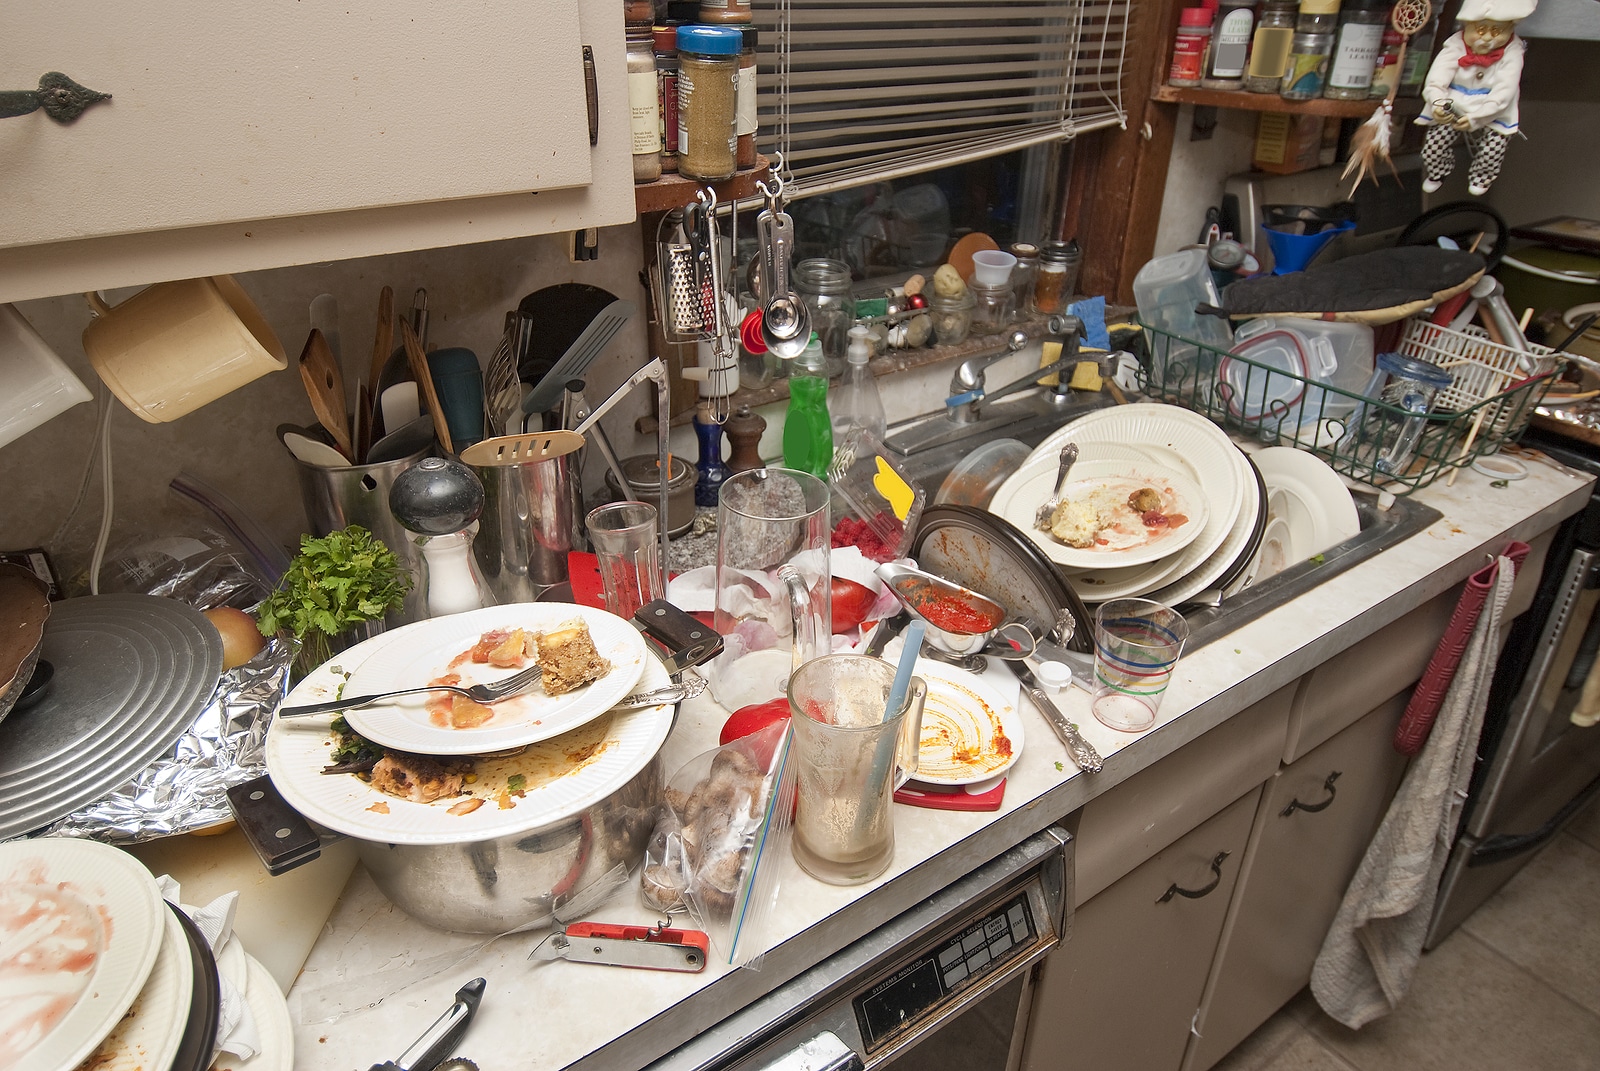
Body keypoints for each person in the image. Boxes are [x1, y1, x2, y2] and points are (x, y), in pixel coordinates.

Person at [1414, 0, 1535, 196]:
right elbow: (1436, 79)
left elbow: (1505, 91)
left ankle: (1482, 177)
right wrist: (1438, 103)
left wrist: (1477, 117)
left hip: (1493, 107)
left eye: (1496, 31)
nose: (1487, 38)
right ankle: (1438, 171)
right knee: (1433, 147)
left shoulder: (1513, 51)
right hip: (1454, 100)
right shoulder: (1455, 44)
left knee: (1492, 150)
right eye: (1480, 30)